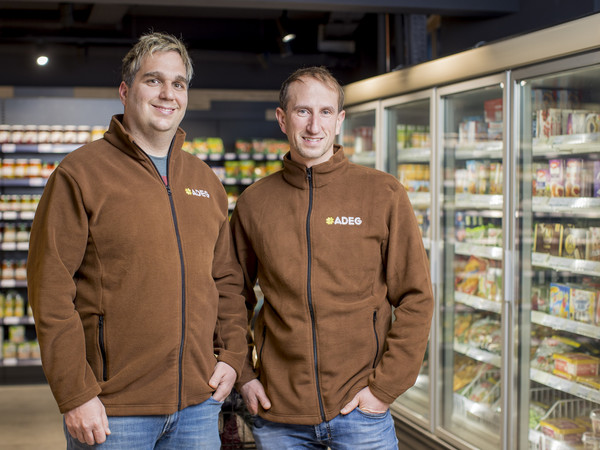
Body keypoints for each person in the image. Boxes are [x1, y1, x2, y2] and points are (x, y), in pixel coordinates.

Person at [27, 31, 248, 449]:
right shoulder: (79, 175)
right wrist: (76, 393)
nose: (168, 94)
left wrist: (233, 356)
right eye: (154, 80)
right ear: (125, 91)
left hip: (198, 407)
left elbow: (227, 282)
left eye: (178, 83)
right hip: (113, 412)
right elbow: (50, 292)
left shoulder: (204, 180)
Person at [230, 66, 434, 449]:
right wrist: (244, 374)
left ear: (339, 121)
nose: (313, 126)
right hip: (278, 414)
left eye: (325, 112)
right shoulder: (254, 202)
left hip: (360, 409)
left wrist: (385, 389)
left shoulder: (382, 193)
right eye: (302, 111)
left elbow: (415, 297)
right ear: (282, 118)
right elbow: (230, 294)